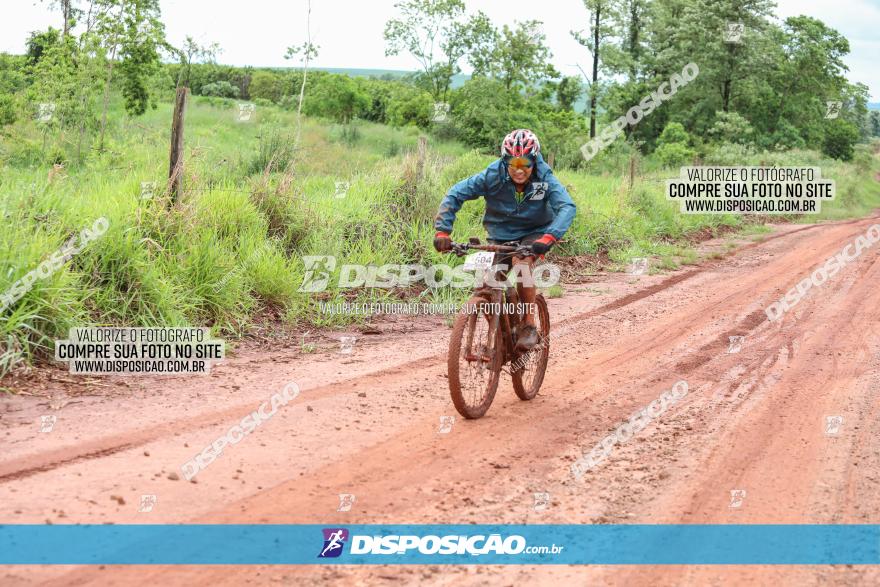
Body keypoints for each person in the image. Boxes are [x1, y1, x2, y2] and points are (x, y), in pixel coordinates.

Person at [433, 129, 576, 351]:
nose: (519, 170)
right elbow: (455, 194)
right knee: (485, 283)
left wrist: (550, 237)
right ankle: (500, 338)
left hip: (535, 232)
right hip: (500, 235)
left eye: (525, 163)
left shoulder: (545, 177)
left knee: (521, 264)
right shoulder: (492, 175)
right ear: (504, 160)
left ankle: (528, 324)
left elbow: (566, 206)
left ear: (535, 160)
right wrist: (443, 231)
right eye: (513, 163)